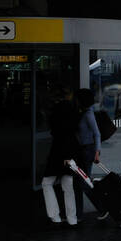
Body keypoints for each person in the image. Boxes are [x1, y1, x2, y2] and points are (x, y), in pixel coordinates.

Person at [40, 86, 80, 226]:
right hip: (70, 151)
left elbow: (59, 133)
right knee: (68, 185)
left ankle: (55, 216)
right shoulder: (73, 110)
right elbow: (70, 133)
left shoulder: (56, 111)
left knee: (47, 182)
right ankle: (72, 219)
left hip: (59, 152)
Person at [71, 88, 109, 221]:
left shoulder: (88, 114)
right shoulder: (82, 113)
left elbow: (97, 134)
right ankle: (78, 214)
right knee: (79, 183)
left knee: (83, 183)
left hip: (88, 152)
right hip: (82, 151)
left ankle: (102, 207)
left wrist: (97, 153)